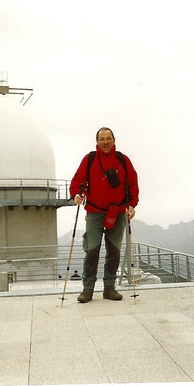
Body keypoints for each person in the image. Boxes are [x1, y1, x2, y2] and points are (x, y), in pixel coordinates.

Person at [69, 127, 139, 303]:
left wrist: (131, 204)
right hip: (94, 212)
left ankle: (109, 288)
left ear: (114, 140)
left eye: (108, 139)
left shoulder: (123, 160)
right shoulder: (90, 159)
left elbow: (132, 184)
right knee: (92, 250)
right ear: (97, 142)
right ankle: (88, 289)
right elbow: (78, 181)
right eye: (102, 139)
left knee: (114, 250)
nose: (105, 142)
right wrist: (77, 194)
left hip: (117, 212)